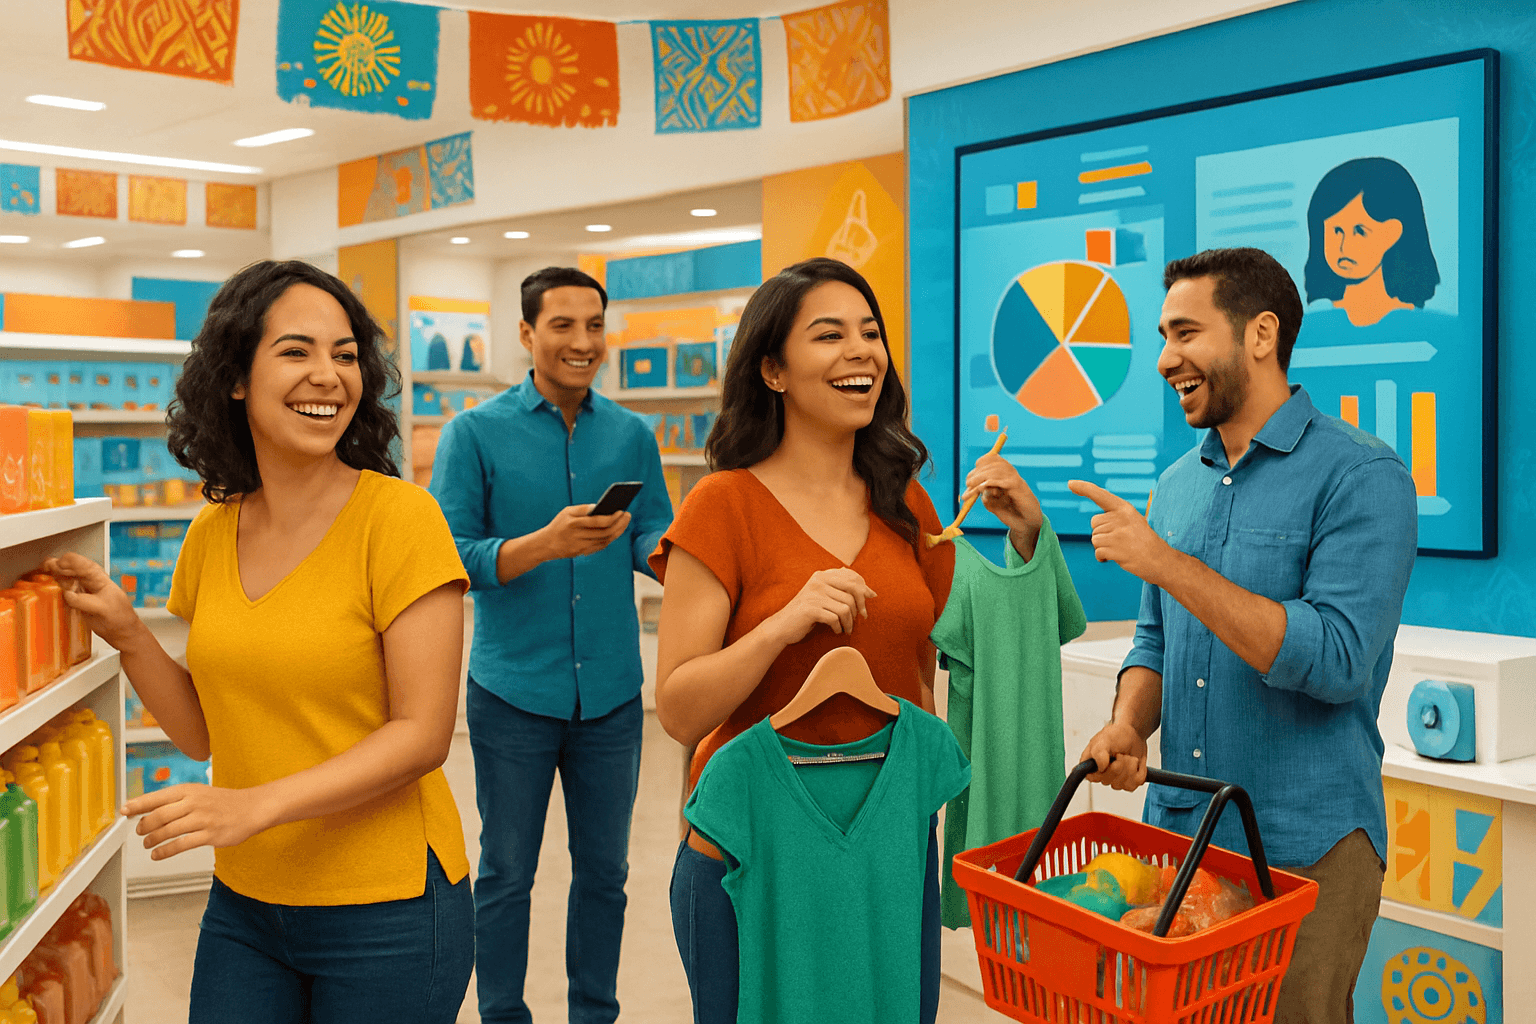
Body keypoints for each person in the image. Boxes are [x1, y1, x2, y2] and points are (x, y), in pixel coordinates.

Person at [45, 260, 475, 1024]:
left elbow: (423, 735)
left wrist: (254, 807)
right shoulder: (215, 529)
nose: (328, 376)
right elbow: (202, 731)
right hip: (247, 906)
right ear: (237, 378)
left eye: (346, 355)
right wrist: (127, 631)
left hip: (388, 908)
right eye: (296, 351)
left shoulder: (401, 520)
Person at [652, 257, 1047, 1024]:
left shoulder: (906, 502)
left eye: (870, 333)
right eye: (829, 335)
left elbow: (938, 671)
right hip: (752, 850)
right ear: (772, 370)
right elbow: (679, 711)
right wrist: (780, 627)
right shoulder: (722, 506)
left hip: (890, 844)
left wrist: (1025, 537)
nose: (861, 351)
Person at [1072, 247, 1418, 1024]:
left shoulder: (1362, 476)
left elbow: (1337, 659)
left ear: (1261, 334)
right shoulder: (1175, 485)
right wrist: (1128, 725)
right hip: (1181, 838)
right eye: (1164, 336)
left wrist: (1169, 563)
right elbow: (1156, 643)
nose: (1165, 359)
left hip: (1302, 851)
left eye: (1186, 333)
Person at [429, 266, 672, 1024]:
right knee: (506, 874)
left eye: (594, 325)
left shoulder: (631, 435)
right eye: (563, 325)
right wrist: (543, 544)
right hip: (513, 693)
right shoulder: (473, 433)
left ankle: (594, 1014)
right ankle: (503, 1014)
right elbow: (448, 556)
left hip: (612, 694)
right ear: (527, 333)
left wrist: (683, 558)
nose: (582, 341)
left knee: (606, 874)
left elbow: (654, 534)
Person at [1302, 157, 1440, 327]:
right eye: (1337, 231)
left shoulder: (1429, 327)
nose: (1344, 246)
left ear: (1393, 232)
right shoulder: (1310, 327)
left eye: (1360, 231)